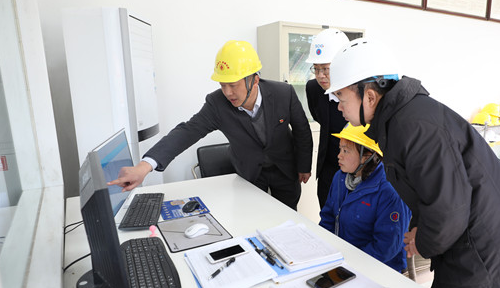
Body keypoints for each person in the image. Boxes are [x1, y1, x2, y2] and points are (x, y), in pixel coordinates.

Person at [325, 38, 500, 288]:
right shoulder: (402, 119)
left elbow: (450, 209)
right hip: (467, 242)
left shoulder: (414, 126)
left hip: (485, 252)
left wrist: (423, 241)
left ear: (369, 97)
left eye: (341, 98)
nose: (339, 107)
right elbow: (433, 191)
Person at [111, 40, 313, 210]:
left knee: (288, 218)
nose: (227, 92)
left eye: (233, 85)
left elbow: (302, 130)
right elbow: (187, 131)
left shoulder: (283, 93)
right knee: (250, 218)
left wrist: (304, 165)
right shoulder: (217, 104)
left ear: (254, 80)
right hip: (250, 173)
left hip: (285, 169)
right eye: (222, 85)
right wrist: (145, 166)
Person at [319, 124, 411, 273]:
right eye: (340, 149)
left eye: (346, 151)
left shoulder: (390, 190)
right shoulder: (340, 177)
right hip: (343, 261)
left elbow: (386, 247)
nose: (339, 155)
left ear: (367, 156)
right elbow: (328, 218)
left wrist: (350, 265)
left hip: (378, 269)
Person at [305, 28, 350, 208]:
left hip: (357, 171)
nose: (320, 76)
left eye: (326, 69)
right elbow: (319, 118)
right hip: (328, 169)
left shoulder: (361, 92)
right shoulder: (313, 89)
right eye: (316, 69)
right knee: (326, 213)